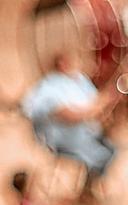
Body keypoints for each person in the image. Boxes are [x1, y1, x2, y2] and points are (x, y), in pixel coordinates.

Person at [22, 52, 117, 193]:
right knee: (102, 154)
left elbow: (95, 105)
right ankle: (89, 187)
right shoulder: (49, 86)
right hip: (61, 136)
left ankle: (94, 183)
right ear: (60, 64)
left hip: (87, 131)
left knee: (113, 147)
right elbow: (70, 116)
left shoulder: (79, 80)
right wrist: (98, 106)